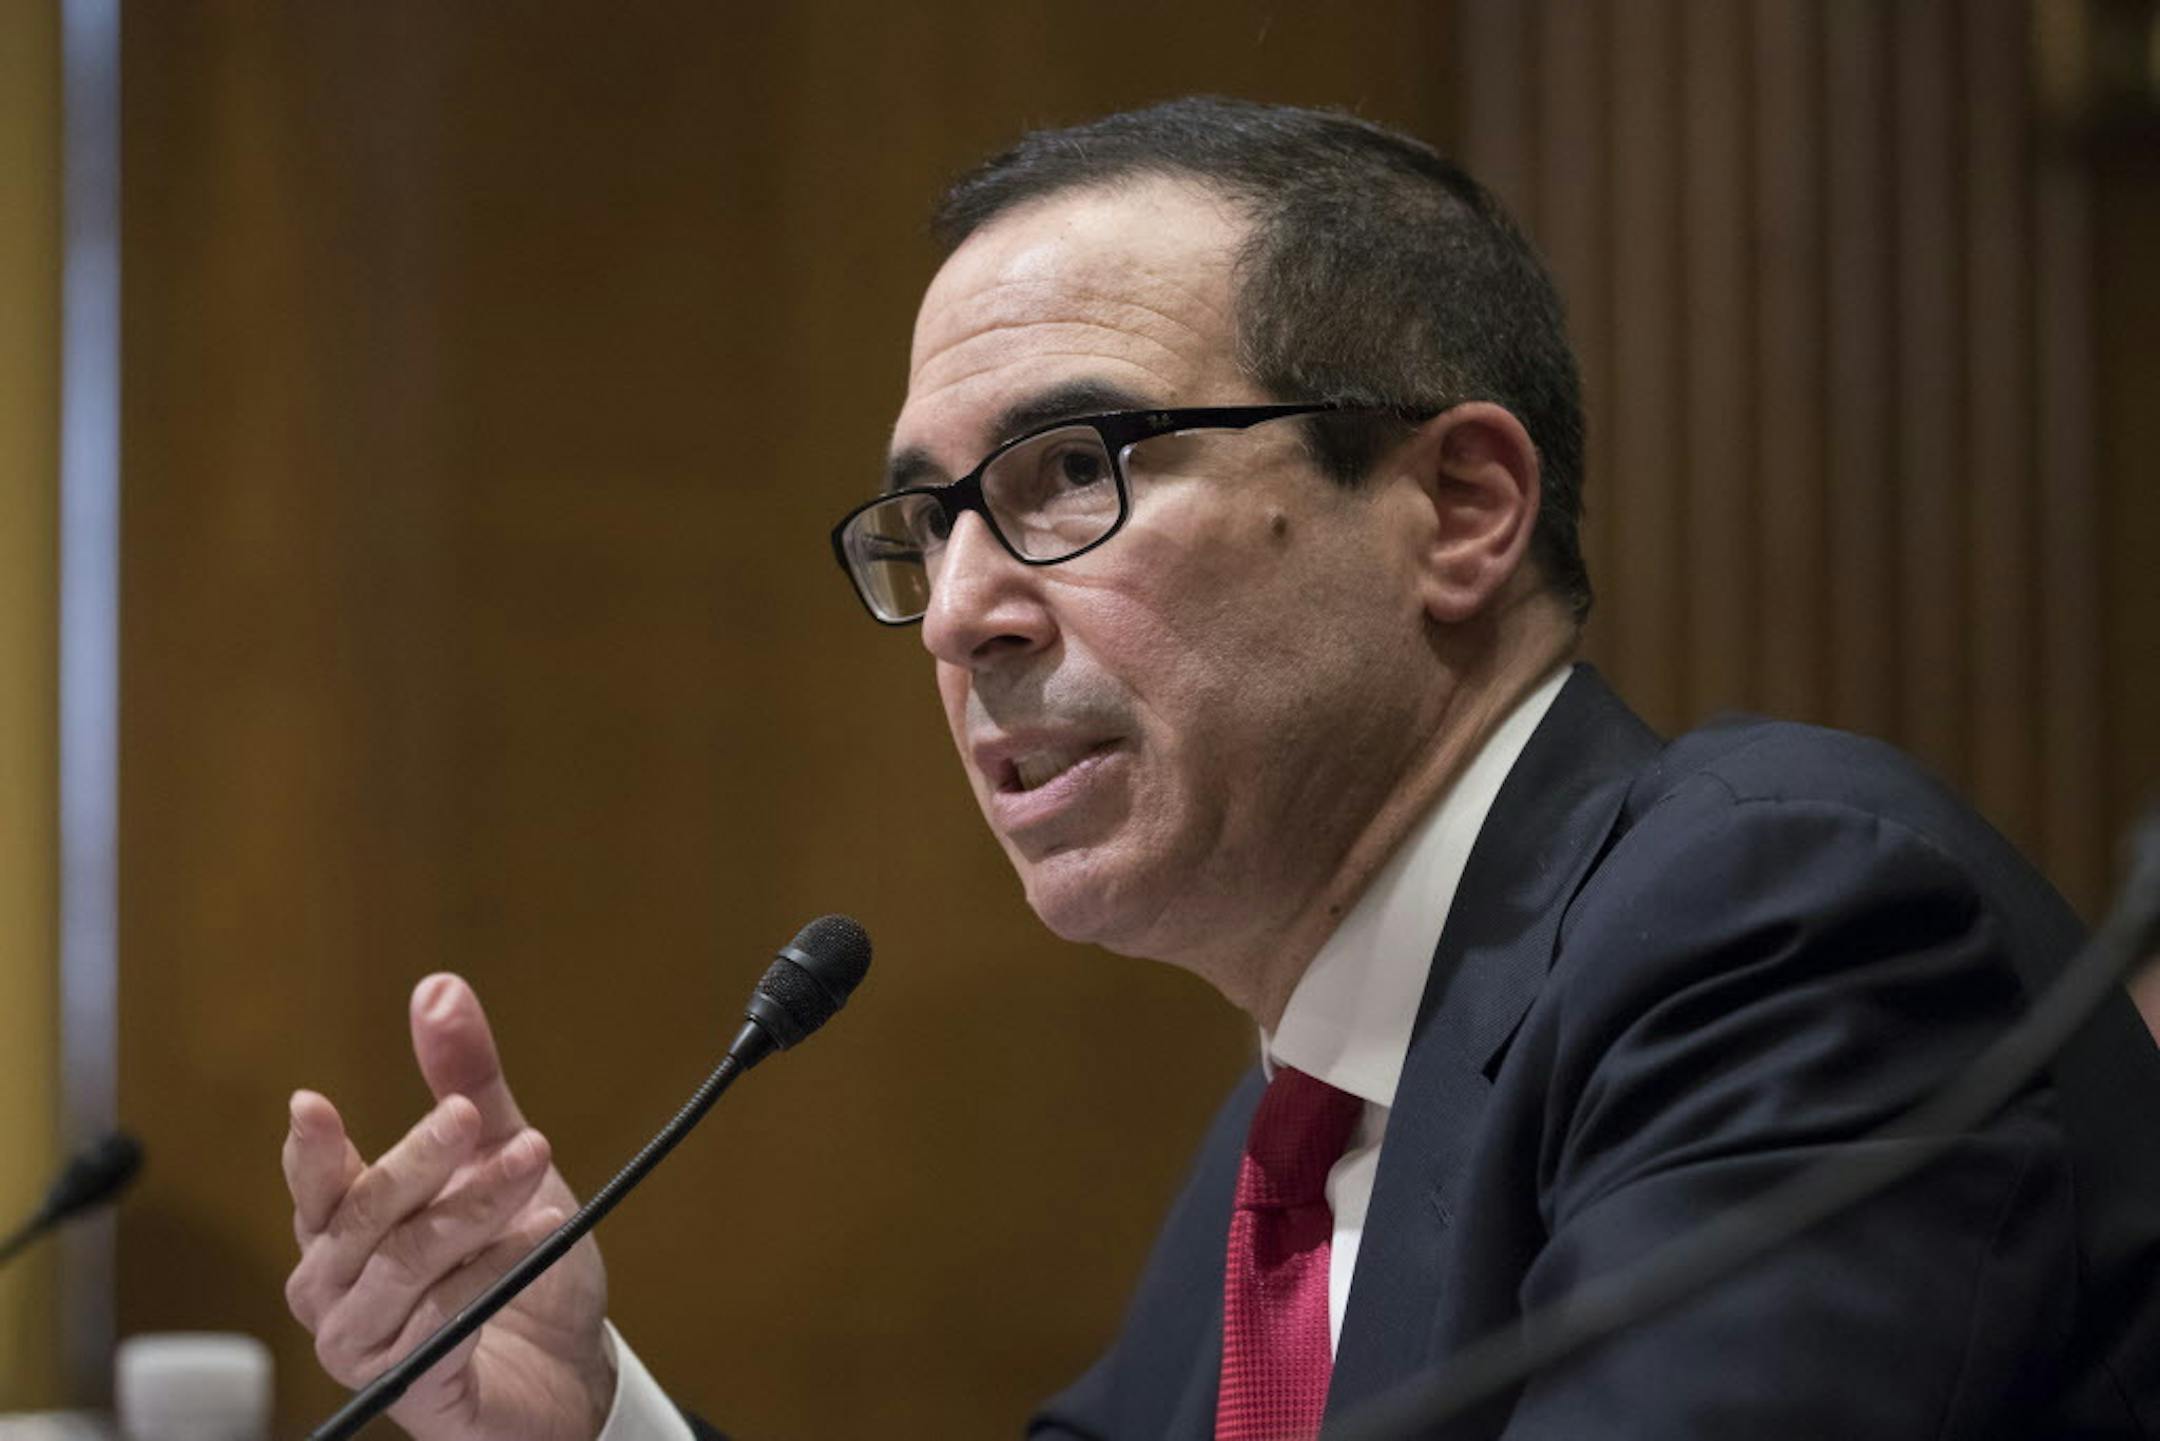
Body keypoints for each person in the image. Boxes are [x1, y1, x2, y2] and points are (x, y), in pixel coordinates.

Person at [280, 97, 2160, 1440]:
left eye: (1070, 472)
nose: (959, 614)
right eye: (927, 524)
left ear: (1461, 508)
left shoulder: (1782, 928)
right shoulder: (1314, 1110)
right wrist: (585, 1424)